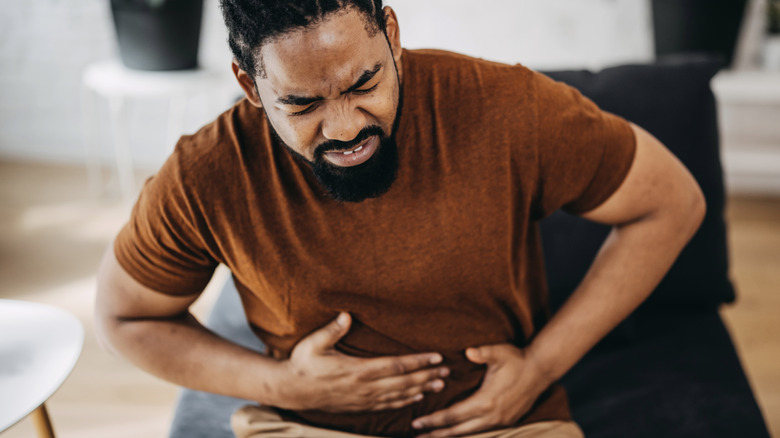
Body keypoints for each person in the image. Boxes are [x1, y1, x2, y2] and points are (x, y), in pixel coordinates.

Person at [94, 1, 706, 437]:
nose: (344, 128)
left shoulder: (508, 109)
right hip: (307, 426)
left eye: (365, 82)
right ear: (250, 85)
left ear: (390, 34)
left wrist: (540, 368)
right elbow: (124, 317)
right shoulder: (207, 175)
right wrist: (285, 388)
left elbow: (672, 202)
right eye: (302, 103)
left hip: (501, 422)